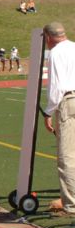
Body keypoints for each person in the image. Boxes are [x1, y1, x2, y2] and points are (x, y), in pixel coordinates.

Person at [42, 22, 75, 214]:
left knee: (67, 157)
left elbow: (56, 87)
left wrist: (48, 112)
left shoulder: (55, 53)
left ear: (48, 38)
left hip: (68, 101)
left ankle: (70, 204)